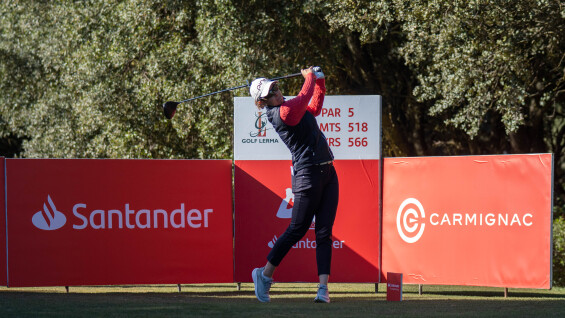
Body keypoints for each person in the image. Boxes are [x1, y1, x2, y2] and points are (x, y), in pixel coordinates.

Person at [249, 67, 339, 303]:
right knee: (298, 229)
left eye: (276, 88)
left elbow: (314, 106)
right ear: (263, 102)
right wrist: (309, 76)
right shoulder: (282, 113)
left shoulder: (291, 107)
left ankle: (323, 289)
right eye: (271, 93)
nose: (277, 93)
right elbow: (303, 97)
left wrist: (320, 81)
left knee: (324, 232)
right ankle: (265, 274)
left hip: (328, 172)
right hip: (307, 175)